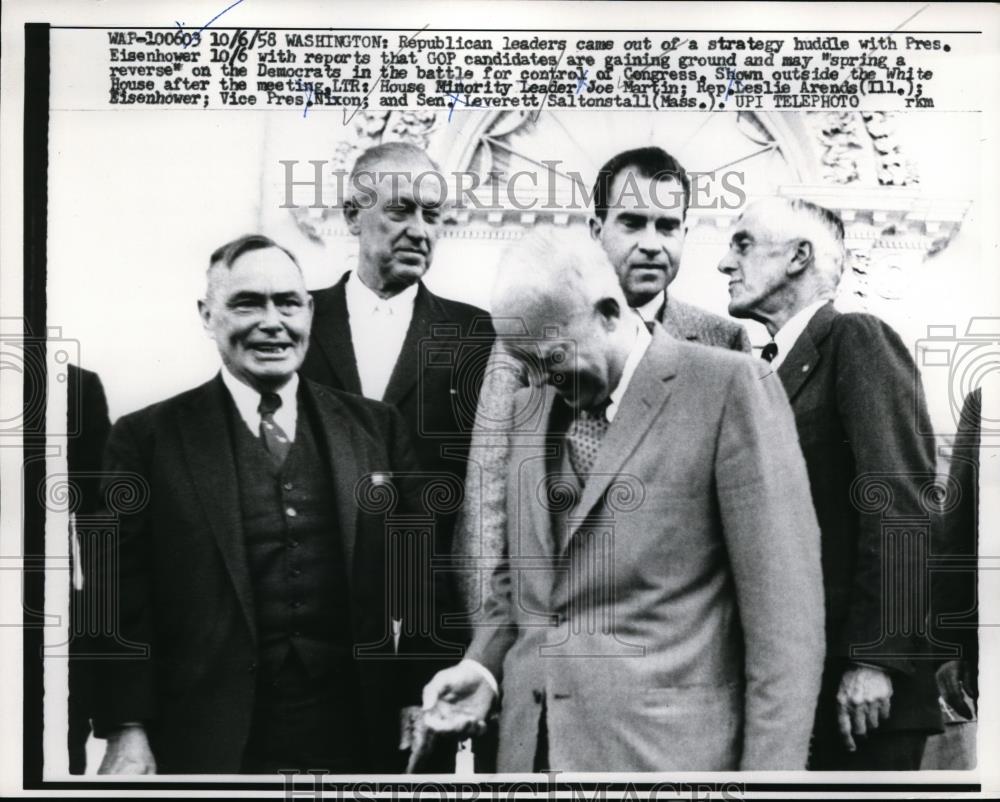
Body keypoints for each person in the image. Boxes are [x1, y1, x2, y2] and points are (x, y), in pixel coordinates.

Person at [421, 228, 825, 771]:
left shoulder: (729, 389)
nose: (541, 381)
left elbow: (787, 629)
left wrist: (768, 787)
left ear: (609, 313)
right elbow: (518, 582)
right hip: (532, 760)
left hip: (668, 765)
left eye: (552, 358)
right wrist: (483, 668)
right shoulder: (527, 409)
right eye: (525, 363)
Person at [93, 235, 429, 774]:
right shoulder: (146, 439)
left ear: (309, 312)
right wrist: (126, 728)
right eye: (247, 304)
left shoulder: (376, 428)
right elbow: (116, 597)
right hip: (206, 739)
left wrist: (416, 691)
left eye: (288, 304)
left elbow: (418, 576)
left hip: (354, 734)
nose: (272, 322)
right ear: (207, 315)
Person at [457, 146, 749, 614]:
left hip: (670, 629)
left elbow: (738, 519)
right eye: (632, 223)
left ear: (685, 234)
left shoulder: (722, 344)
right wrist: (490, 638)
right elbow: (487, 496)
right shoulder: (531, 330)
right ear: (597, 230)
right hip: (552, 621)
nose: (652, 243)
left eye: (667, 226)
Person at [717, 197, 944, 770]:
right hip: (796, 687)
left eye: (743, 244)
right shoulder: (764, 369)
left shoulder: (855, 339)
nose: (725, 262)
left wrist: (875, 659)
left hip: (861, 699)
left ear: (799, 257)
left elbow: (898, 503)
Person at [301, 142, 494, 652]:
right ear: (352, 215)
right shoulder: (298, 323)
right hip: (313, 618)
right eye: (400, 210)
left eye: (432, 214)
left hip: (430, 622)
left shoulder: (476, 334)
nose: (420, 230)